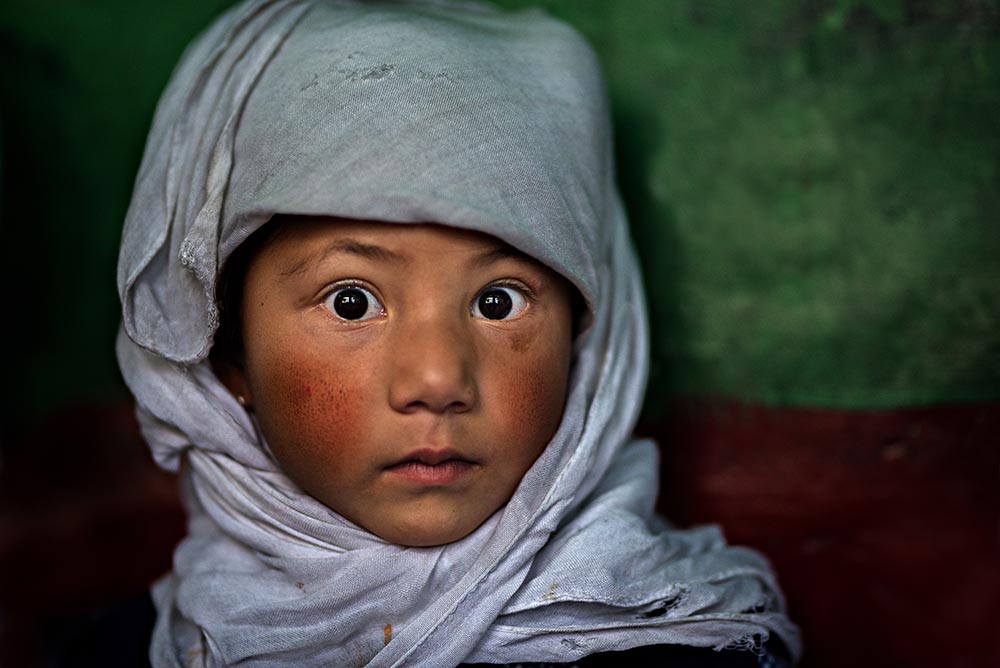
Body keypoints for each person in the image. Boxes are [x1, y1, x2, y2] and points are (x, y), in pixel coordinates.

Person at [114, 0, 801, 666]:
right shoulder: (143, 649)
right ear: (229, 356)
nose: (438, 381)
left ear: (587, 337)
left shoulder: (690, 645)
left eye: (498, 303)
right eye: (352, 302)